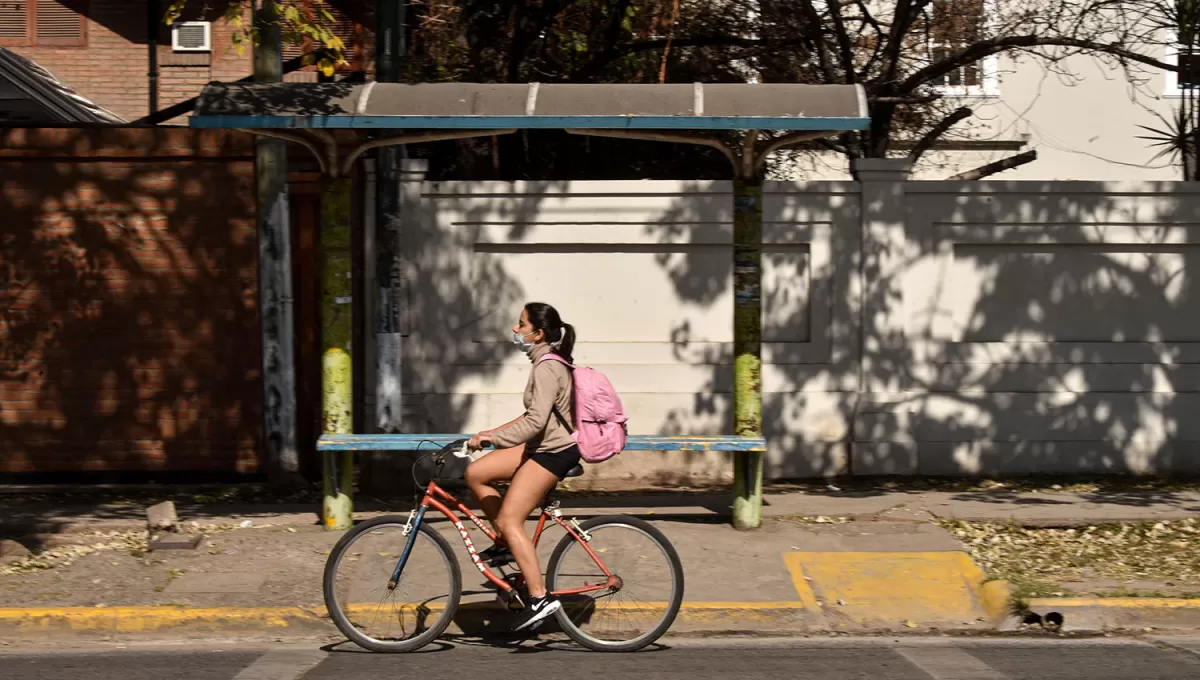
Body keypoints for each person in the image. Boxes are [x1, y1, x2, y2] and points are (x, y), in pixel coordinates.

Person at [464, 301, 580, 632]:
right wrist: (492, 433)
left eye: (521, 324)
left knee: (511, 518)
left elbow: (536, 423)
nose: (515, 330)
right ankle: (505, 542)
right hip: (539, 445)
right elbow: (532, 417)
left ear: (538, 333)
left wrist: (495, 440)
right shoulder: (544, 363)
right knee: (476, 473)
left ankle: (540, 597)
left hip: (554, 452)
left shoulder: (546, 367)